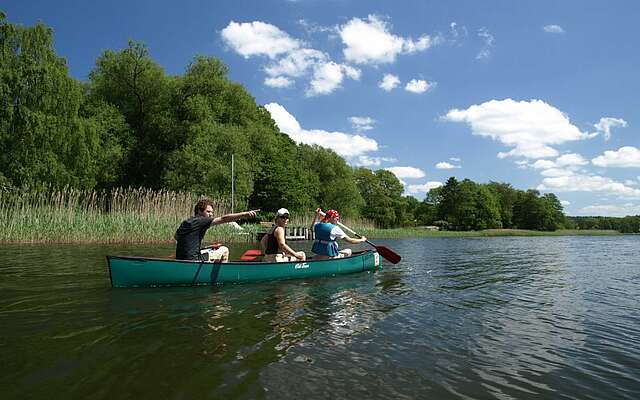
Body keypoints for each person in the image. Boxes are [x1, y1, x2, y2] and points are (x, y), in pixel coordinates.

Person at [175, 198, 258, 261]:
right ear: (199, 211)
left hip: (180, 258)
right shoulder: (202, 220)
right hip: (194, 259)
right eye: (208, 212)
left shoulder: (186, 222)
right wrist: (244, 214)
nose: (211, 214)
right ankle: (221, 274)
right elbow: (224, 219)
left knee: (210, 250)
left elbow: (177, 237)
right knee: (224, 250)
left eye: (211, 212)